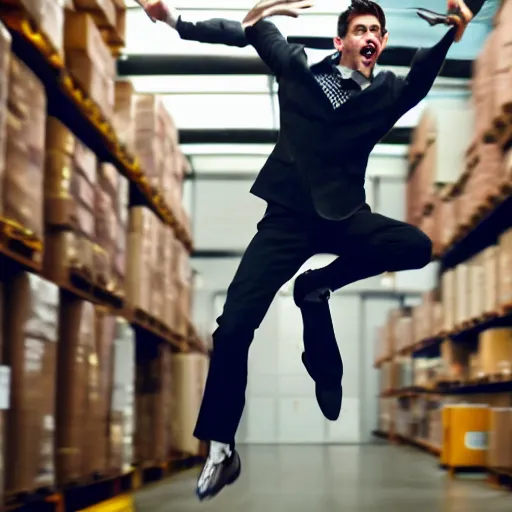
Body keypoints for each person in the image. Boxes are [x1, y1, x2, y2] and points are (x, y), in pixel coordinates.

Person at [143, 0, 485, 502]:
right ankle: (221, 449)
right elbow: (251, 30)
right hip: (286, 219)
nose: (371, 37)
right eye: (361, 30)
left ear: (382, 44)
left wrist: (459, 21)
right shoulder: (299, 67)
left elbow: (420, 78)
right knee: (233, 326)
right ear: (340, 41)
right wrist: (173, 20)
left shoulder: (387, 92)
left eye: (377, 32)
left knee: (416, 245)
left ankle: (317, 285)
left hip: (345, 217)